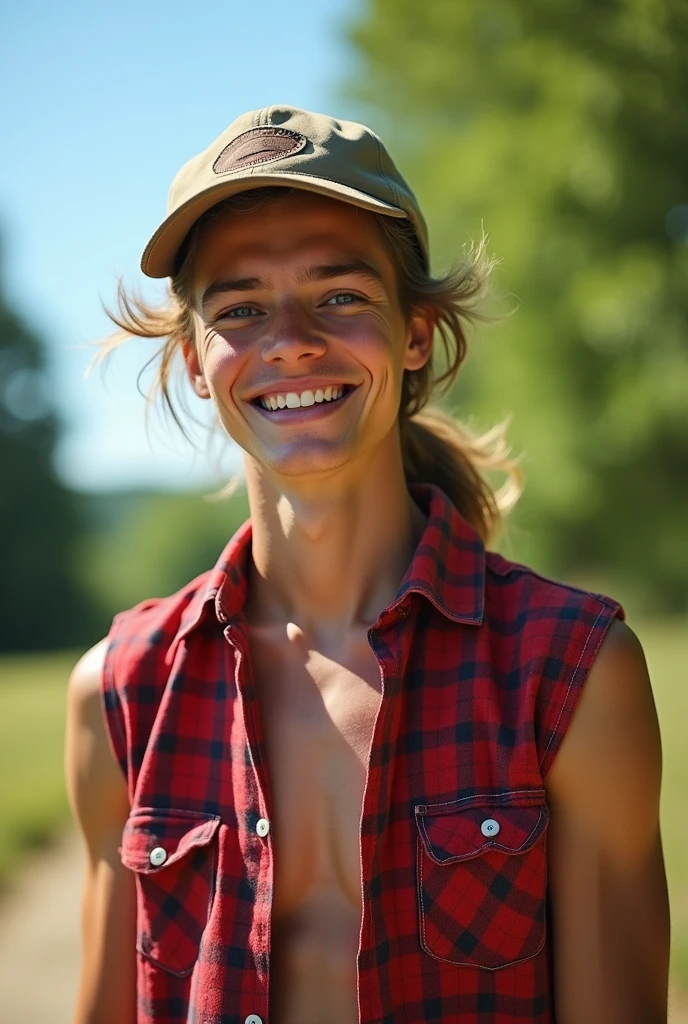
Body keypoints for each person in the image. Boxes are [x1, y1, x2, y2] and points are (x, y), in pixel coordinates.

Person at [65, 105, 669, 1024]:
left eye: (341, 295)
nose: (292, 338)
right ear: (195, 359)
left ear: (417, 332)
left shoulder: (572, 674)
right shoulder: (121, 690)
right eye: (239, 309)